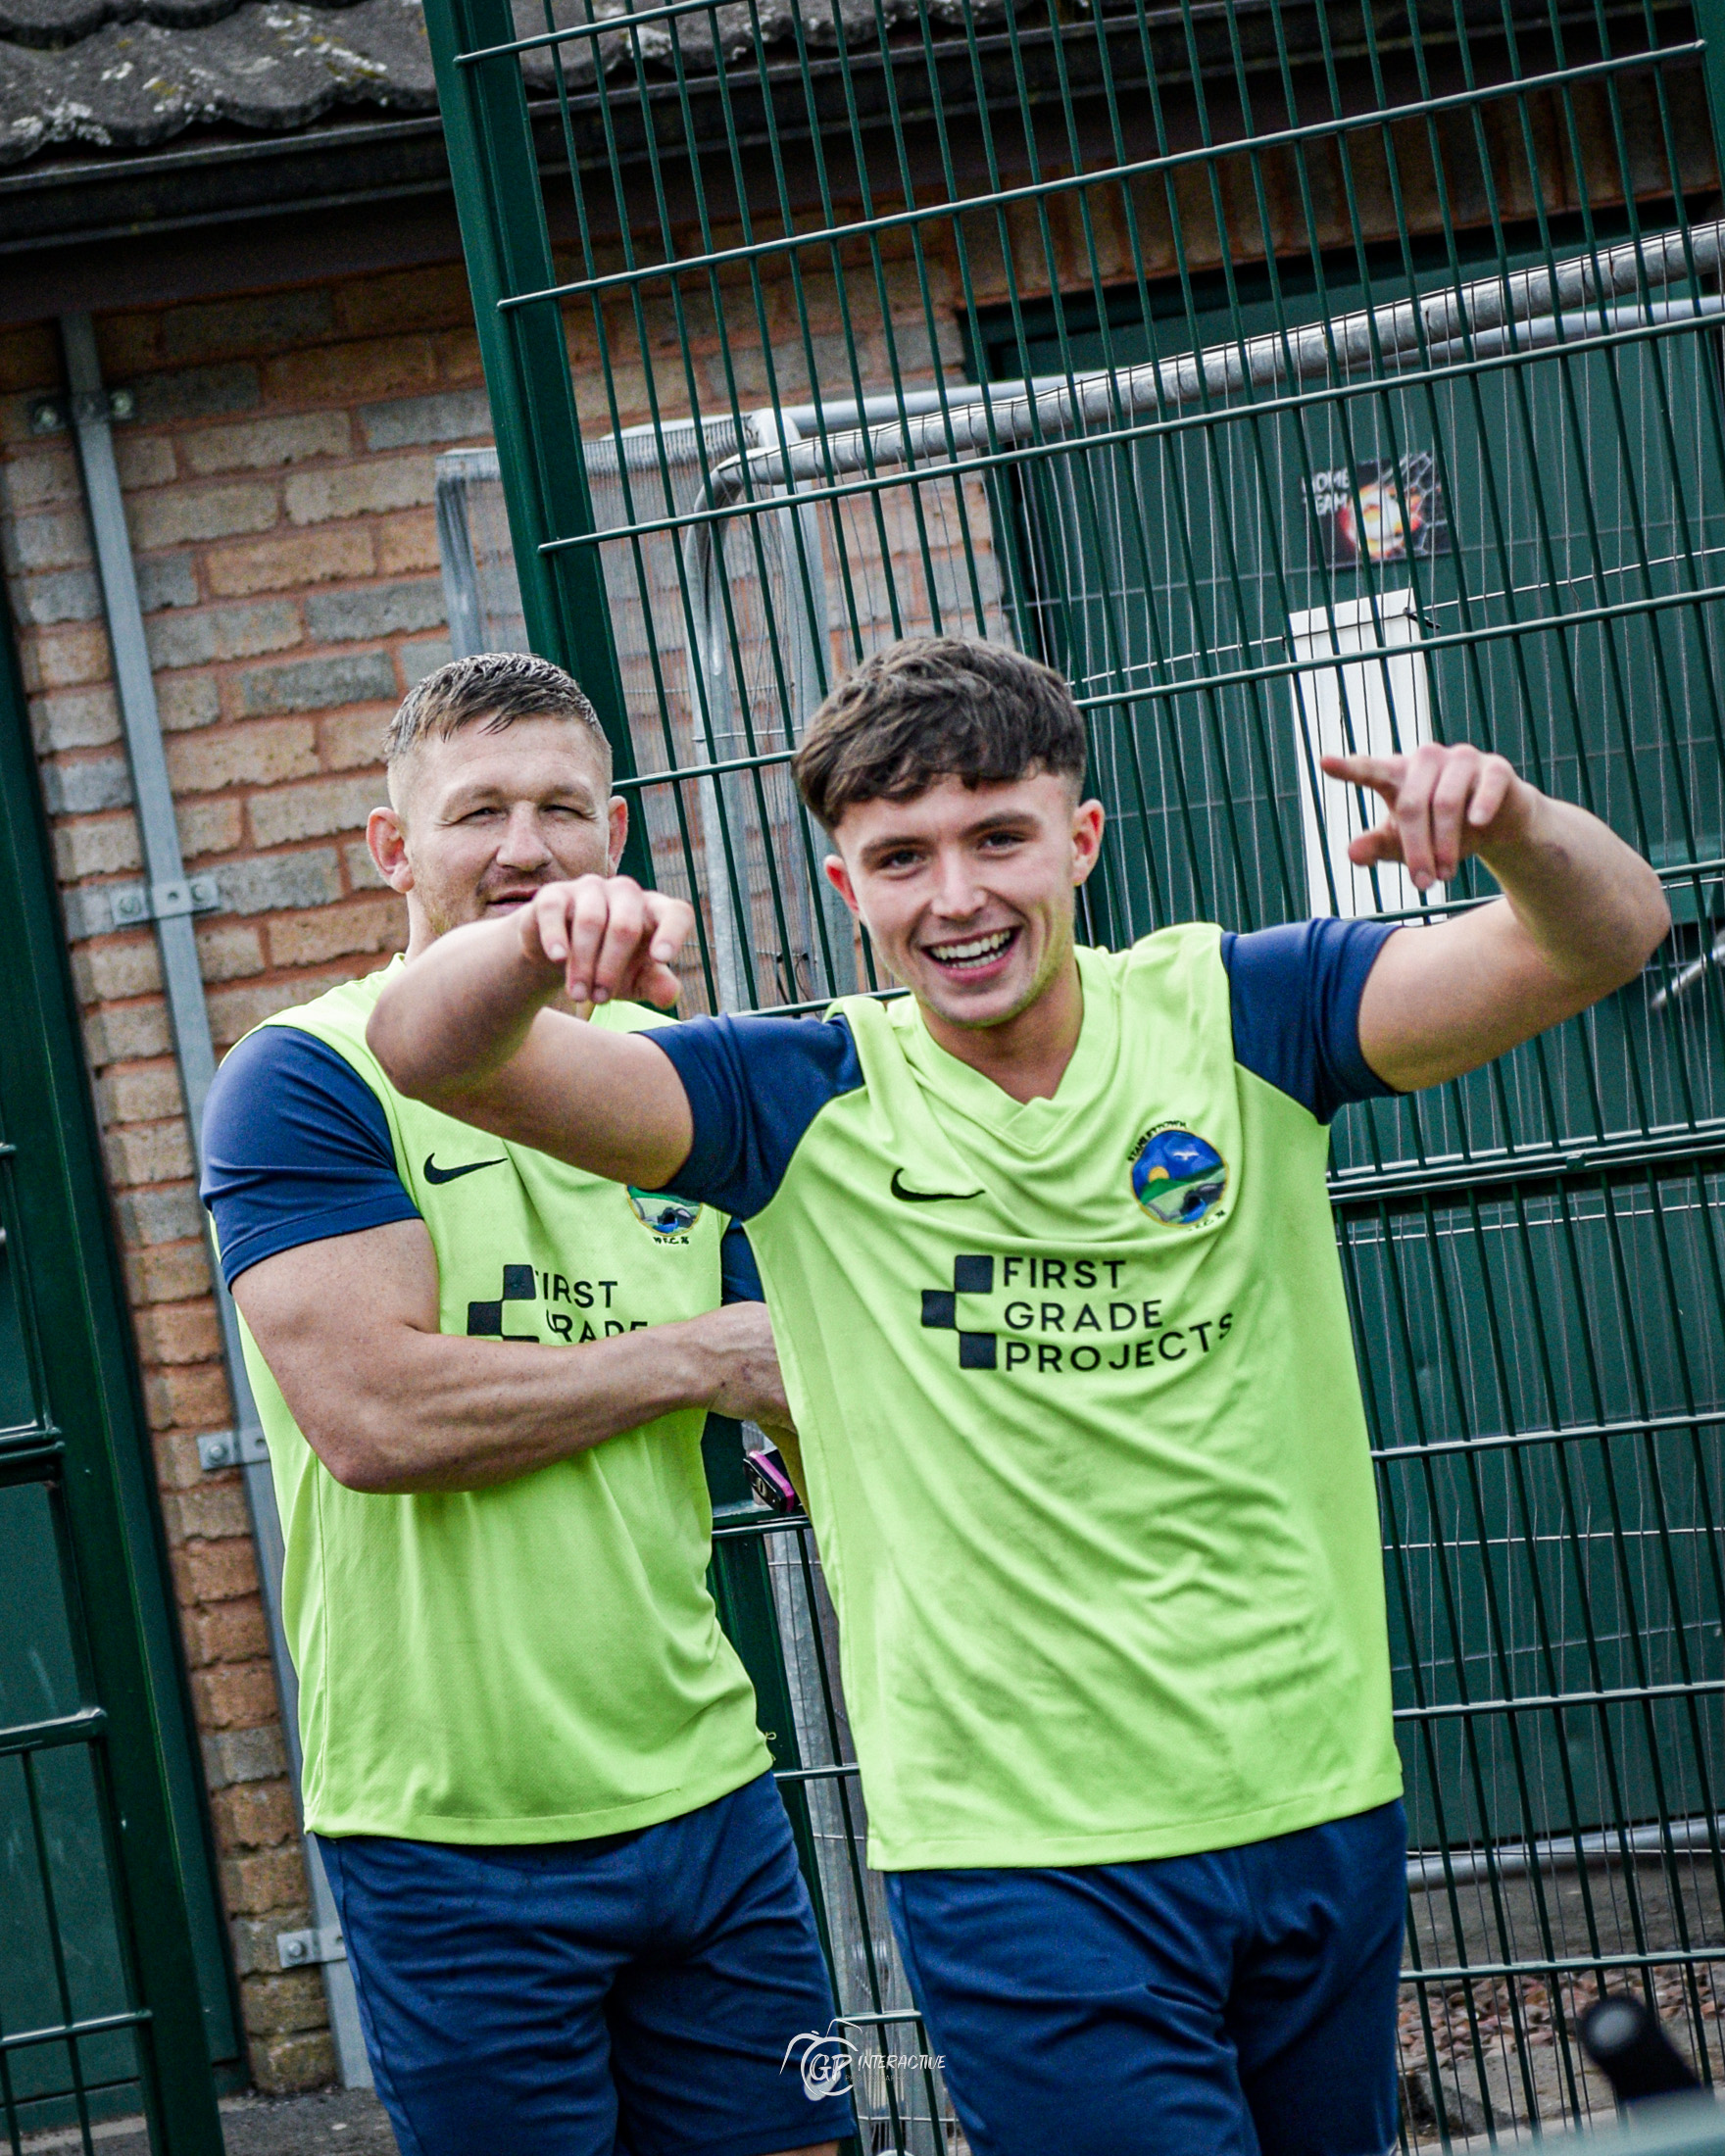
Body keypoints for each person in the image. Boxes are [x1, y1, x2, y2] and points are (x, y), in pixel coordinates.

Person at [363, 636, 1670, 2156]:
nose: (959, 897)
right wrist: (537, 942)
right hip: (1019, 1858)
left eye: (999, 837)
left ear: (1081, 840)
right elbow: (427, 1053)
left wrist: (1508, 818)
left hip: (1314, 1803)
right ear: (847, 894)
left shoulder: (1249, 1016)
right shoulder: (789, 1100)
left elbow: (1608, 929)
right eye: (900, 858)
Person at [199, 652, 850, 2156]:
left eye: (561, 808)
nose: (523, 848)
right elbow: (379, 1419)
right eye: (477, 811)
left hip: (706, 1787)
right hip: (452, 1828)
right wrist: (693, 1363)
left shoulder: (679, 1081)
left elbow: (806, 1397)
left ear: (612, 839)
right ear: (391, 851)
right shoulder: (308, 1076)